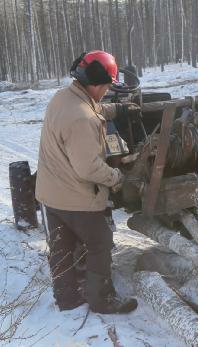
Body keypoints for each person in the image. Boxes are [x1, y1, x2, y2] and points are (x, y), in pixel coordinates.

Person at [36, 50, 139, 314]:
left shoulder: (64, 97)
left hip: (51, 193)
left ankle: (67, 298)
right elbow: (88, 168)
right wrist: (116, 177)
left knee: (61, 247)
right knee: (100, 243)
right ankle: (102, 300)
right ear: (96, 83)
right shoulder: (83, 119)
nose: (106, 91)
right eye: (106, 87)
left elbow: (91, 107)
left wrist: (117, 109)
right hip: (76, 197)